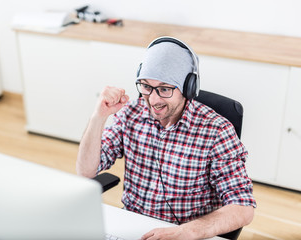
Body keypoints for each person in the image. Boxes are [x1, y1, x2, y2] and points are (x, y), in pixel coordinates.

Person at [76, 36, 256, 240]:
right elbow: (86, 171)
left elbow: (243, 207)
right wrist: (98, 117)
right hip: (134, 229)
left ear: (188, 88)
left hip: (185, 234)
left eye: (164, 89)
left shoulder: (217, 130)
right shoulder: (131, 113)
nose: (153, 100)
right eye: (146, 86)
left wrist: (190, 231)